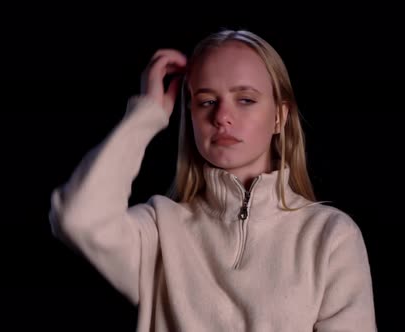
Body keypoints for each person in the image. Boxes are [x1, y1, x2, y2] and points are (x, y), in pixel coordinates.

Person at [48, 29, 377, 331]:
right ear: (189, 113)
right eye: (206, 101)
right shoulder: (160, 232)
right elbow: (78, 217)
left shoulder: (331, 236)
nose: (221, 117)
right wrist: (146, 114)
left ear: (280, 116)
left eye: (245, 99)